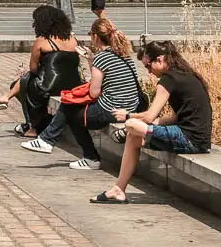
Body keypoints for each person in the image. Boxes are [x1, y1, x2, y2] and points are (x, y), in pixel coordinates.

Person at [92, 40, 213, 204]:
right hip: (198, 139)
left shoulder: (168, 79)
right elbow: (175, 117)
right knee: (134, 136)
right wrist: (150, 125)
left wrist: (128, 116)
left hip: (189, 139)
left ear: (160, 59)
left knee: (131, 126)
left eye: (148, 66)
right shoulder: (185, 75)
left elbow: (148, 116)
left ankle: (119, 186)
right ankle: (118, 190)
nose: (148, 71)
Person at [21, 18, 142, 168]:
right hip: (130, 108)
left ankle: (61, 146)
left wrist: (93, 63)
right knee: (72, 108)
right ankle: (49, 141)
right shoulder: (124, 56)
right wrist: (91, 60)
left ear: (96, 37)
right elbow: (105, 82)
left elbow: (95, 92)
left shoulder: (102, 58)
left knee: (70, 109)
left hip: (112, 110)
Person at [0, 5, 81, 137]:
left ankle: (32, 127)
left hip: (48, 86)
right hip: (73, 84)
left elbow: (33, 68)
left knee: (24, 81)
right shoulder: (73, 40)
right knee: (26, 81)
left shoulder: (42, 41)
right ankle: (8, 100)